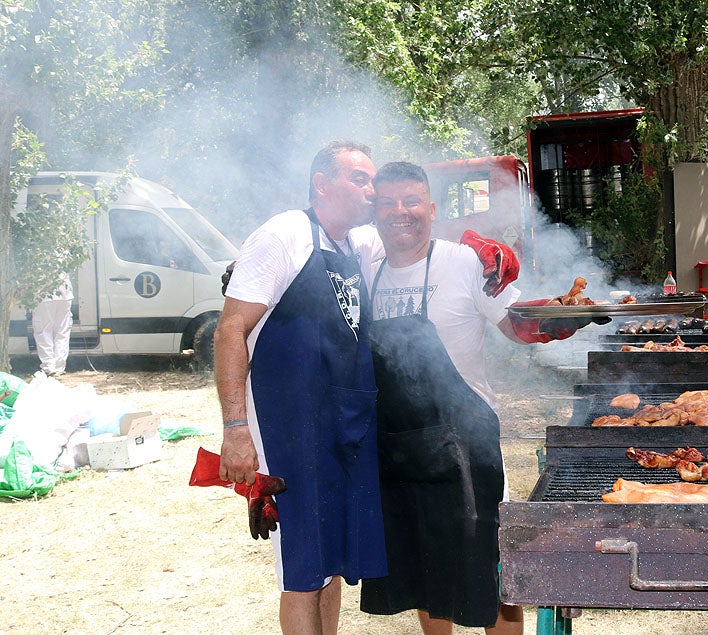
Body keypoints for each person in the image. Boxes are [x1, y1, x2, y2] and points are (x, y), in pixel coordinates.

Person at [357, 162, 597, 635]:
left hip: (466, 440)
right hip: (399, 444)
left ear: (430, 208)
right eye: (387, 202)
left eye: (411, 202)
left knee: (493, 566)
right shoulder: (365, 267)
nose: (399, 212)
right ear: (375, 211)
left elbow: (515, 324)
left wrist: (561, 317)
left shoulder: (466, 262)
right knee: (424, 567)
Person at [214, 140, 387, 634]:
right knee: (301, 570)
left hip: (344, 427)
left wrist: (482, 250)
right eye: (360, 179)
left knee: (330, 560)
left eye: (373, 180)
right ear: (321, 184)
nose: (372, 191)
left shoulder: (358, 244)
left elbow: (411, 236)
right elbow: (230, 330)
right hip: (289, 427)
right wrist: (235, 429)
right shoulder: (282, 235)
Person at [31, 272, 74, 377]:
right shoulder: (64, 254)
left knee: (43, 331)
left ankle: (49, 366)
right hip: (65, 294)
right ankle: (59, 366)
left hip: (44, 294)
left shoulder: (39, 255)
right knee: (62, 332)